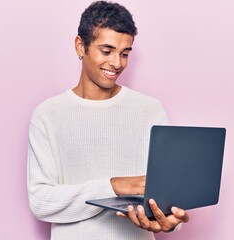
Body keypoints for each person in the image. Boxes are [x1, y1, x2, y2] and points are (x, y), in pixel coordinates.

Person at [27, 1, 189, 239]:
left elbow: (167, 195)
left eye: (125, 54)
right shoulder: (48, 115)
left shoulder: (150, 110)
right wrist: (113, 186)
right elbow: (40, 201)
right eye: (107, 51)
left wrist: (171, 221)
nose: (117, 63)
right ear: (80, 46)